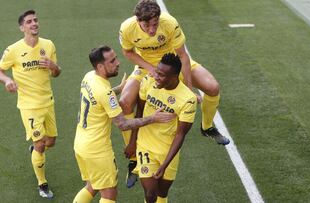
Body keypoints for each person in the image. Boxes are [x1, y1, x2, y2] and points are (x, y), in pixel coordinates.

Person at [118, 0, 230, 188]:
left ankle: (207, 127)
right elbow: (128, 52)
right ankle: (133, 155)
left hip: (174, 64)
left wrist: (188, 88)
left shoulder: (169, 23)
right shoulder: (127, 28)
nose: (152, 30)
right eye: (147, 25)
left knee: (212, 87)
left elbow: (183, 56)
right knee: (125, 103)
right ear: (138, 21)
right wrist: (150, 68)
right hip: (147, 67)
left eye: (155, 24)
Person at [73, 45, 175, 203]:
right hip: (97, 150)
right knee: (109, 195)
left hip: (81, 144)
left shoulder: (89, 77)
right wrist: (152, 118)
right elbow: (123, 124)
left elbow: (98, 99)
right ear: (100, 66)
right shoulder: (104, 92)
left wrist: (119, 89)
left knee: (92, 186)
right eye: (112, 61)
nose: (118, 62)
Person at [0, 10, 61, 199]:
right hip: (29, 106)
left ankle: (36, 150)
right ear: (22, 27)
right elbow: (0, 70)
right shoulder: (13, 50)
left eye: (35, 20)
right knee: (40, 145)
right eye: (29, 21)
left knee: (51, 141)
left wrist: (52, 65)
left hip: (47, 102)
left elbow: (57, 73)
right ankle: (42, 184)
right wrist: (7, 81)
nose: (34, 23)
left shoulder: (48, 45)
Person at [129, 53, 197, 203]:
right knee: (150, 193)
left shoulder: (188, 99)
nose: (156, 76)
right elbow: (139, 112)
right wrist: (132, 141)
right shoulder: (148, 81)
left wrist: (165, 165)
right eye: (156, 71)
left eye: (161, 75)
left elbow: (181, 134)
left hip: (168, 151)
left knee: (162, 192)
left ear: (174, 77)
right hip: (145, 146)